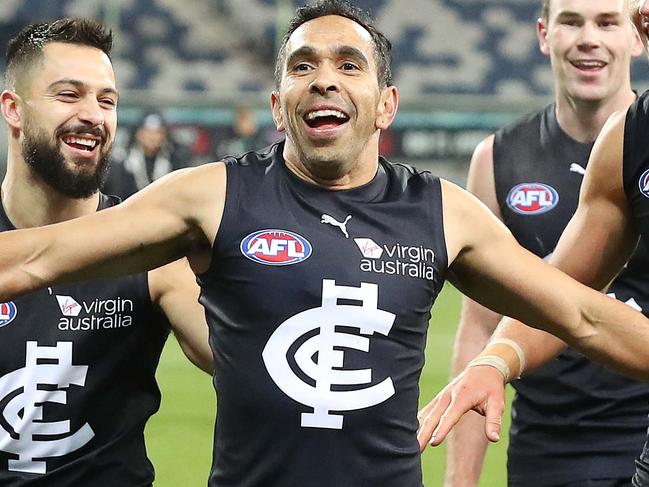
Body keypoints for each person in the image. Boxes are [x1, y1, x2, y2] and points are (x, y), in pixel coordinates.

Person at [2, 2, 649, 486]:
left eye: (348, 64)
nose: (323, 79)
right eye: (302, 66)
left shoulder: (443, 211)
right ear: (279, 105)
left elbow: (583, 314)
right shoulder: (208, 195)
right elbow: (38, 254)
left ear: (385, 103)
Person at [418, 2, 649, 486]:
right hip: (548, 445)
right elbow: (557, 307)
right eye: (572, 21)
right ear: (544, 34)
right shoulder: (509, 157)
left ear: (634, 35)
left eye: (608, 21)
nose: (589, 38)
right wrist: (494, 364)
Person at [0, 18, 212, 486]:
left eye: (107, 100)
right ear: (14, 110)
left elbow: (246, 357)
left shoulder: (153, 251)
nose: (94, 114)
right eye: (69, 94)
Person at [104, 110, 190, 199]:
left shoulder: (173, 160)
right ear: (139, 134)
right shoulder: (124, 162)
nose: (152, 137)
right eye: (148, 132)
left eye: (157, 132)